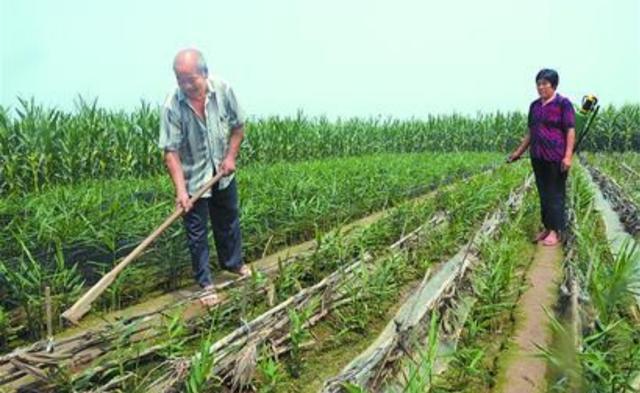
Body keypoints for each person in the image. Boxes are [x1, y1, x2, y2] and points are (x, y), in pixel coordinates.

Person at [159, 48, 250, 305]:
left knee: (228, 220)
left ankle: (233, 265)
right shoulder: (172, 105)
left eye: (191, 79)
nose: (185, 85)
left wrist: (231, 156)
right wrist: (181, 191)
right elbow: (171, 152)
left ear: (205, 73)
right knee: (197, 232)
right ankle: (206, 284)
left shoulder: (223, 90)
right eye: (180, 79)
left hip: (222, 173)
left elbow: (238, 126)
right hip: (193, 178)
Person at [508, 68, 576, 246]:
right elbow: (531, 133)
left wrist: (567, 156)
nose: (540, 87)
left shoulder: (563, 104)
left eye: (544, 84)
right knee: (544, 194)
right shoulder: (535, 106)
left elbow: (570, 130)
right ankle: (547, 227)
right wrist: (518, 152)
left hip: (556, 156)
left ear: (553, 85)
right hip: (538, 156)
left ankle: (555, 231)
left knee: (555, 193)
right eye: (538, 84)